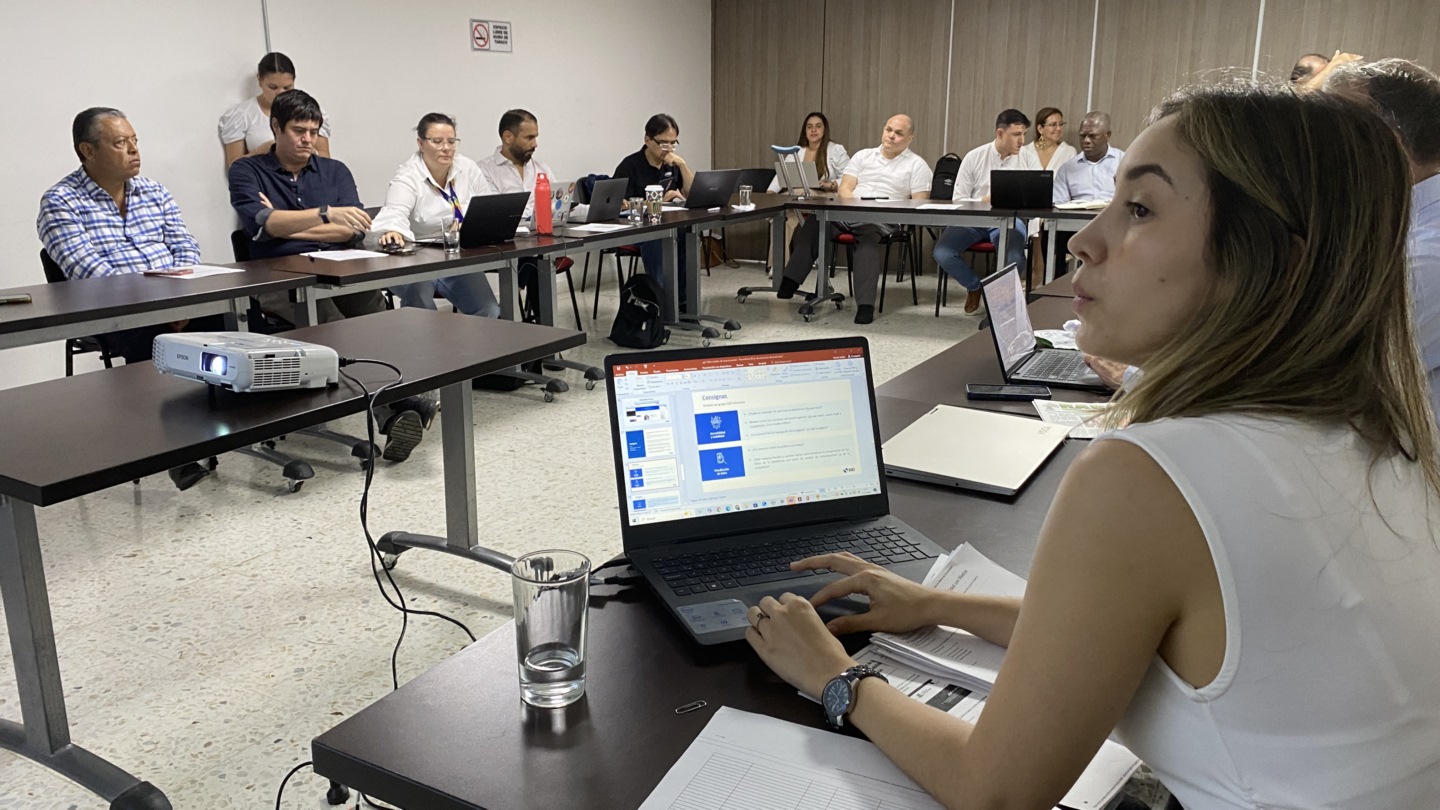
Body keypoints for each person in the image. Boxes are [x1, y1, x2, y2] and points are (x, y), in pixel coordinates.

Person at [742, 83, 1440, 809]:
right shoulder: (1379, 433)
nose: (1083, 241)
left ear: (1272, 260)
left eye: (1139, 209)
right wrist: (933, 604)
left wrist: (833, 674)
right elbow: (1112, 632)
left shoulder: (1149, 478)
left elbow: (996, 790)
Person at [229, 89, 427, 462]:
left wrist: (286, 226)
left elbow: (352, 231)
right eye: (299, 131)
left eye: (314, 131)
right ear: (275, 127)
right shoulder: (246, 170)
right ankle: (394, 412)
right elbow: (259, 225)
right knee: (339, 332)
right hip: (280, 277)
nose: (308, 140)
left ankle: (402, 397)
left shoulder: (335, 170)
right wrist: (325, 214)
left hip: (341, 267)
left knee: (381, 324)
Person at [37, 107, 227, 490]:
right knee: (157, 338)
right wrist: (163, 306)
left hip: (177, 302)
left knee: (237, 322)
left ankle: (241, 426)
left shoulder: (154, 191)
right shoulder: (61, 202)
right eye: (120, 143)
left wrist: (182, 303)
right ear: (87, 151)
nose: (133, 151)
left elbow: (185, 249)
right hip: (113, 314)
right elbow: (90, 274)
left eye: (135, 141)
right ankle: (179, 449)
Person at [1326, 58, 1440, 416]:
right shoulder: (1391, 225)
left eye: (1327, 134)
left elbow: (1322, 372)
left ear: (1387, 148)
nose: (1311, 154)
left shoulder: (1427, 259)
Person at [776, 114, 931, 324]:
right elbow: (846, 187)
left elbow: (918, 203)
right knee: (815, 222)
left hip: (882, 218)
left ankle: (865, 306)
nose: (891, 136)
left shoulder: (917, 165)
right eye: (888, 130)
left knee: (867, 238)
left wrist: (877, 211)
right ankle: (790, 281)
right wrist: (853, 207)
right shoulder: (863, 156)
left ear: (909, 139)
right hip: (850, 210)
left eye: (898, 133)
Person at [373, 112, 501, 318]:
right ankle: (426, 348)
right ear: (421, 143)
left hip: (456, 254)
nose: (446, 148)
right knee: (423, 311)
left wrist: (475, 225)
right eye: (437, 141)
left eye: (451, 141)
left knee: (489, 310)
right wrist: (393, 230)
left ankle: (474, 350)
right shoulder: (408, 176)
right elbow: (395, 212)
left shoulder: (467, 168)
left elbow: (489, 207)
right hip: (418, 258)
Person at [933, 109, 1031, 314]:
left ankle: (1002, 306)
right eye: (1016, 134)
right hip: (973, 219)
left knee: (1014, 257)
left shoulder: (1028, 158)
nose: (1022, 140)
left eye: (1024, 134)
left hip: (1011, 219)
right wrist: (983, 201)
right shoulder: (975, 156)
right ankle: (975, 286)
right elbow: (958, 199)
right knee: (943, 252)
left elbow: (1036, 196)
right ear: (1000, 133)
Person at [477, 109, 556, 320]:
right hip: (500, 244)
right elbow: (496, 214)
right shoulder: (484, 170)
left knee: (539, 256)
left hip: (535, 240)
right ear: (508, 137)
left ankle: (524, 318)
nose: (535, 143)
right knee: (536, 258)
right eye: (529, 137)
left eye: (536, 137)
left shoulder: (541, 168)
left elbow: (555, 206)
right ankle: (542, 328)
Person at [614, 114, 695, 303]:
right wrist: (657, 202)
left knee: (688, 234)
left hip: (668, 223)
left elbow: (691, 193)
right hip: (637, 227)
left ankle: (683, 301)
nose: (668, 149)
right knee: (657, 237)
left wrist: (682, 165)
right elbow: (619, 204)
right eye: (663, 143)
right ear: (648, 140)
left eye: (673, 143)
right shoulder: (630, 165)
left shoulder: (672, 164)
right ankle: (661, 303)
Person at [769, 112, 851, 277]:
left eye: (818, 126)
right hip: (799, 198)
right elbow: (782, 175)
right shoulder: (797, 151)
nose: (813, 130)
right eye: (809, 126)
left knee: (791, 199)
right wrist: (771, 192)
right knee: (782, 218)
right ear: (804, 131)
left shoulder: (835, 149)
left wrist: (832, 184)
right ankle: (778, 265)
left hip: (825, 197)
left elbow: (849, 176)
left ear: (824, 129)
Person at [219, 52, 331, 168]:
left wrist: (311, 151)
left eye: (287, 87)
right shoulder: (242, 114)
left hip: (306, 180)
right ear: (260, 80)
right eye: (273, 87)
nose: (280, 93)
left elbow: (325, 158)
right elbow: (234, 165)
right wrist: (261, 151)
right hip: (263, 182)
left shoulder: (310, 111)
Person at [1048, 111, 1124, 273]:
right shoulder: (1068, 168)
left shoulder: (1124, 162)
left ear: (1107, 135)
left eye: (1092, 136)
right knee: (1051, 236)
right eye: (1082, 136)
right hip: (1076, 226)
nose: (1086, 141)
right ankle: (1054, 285)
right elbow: (1058, 204)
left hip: (1113, 224)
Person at [1291, 49, 1364, 91]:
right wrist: (1336, 63)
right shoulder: (1287, 99)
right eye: (1322, 74)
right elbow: (1306, 94)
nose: (1328, 79)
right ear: (1300, 82)